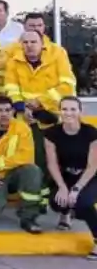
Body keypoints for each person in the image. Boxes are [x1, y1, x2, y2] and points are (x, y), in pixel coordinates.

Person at [4, 29, 75, 206]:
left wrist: (40, 101)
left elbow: (67, 86)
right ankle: (39, 199)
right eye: (25, 42)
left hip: (53, 117)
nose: (29, 46)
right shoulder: (14, 61)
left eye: (33, 42)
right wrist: (22, 108)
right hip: (27, 119)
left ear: (42, 44)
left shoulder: (57, 57)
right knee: (36, 159)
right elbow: (10, 88)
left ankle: (62, 198)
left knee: (58, 160)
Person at [0, 95, 43, 234]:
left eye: (7, 110)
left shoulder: (22, 129)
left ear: (13, 111)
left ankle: (28, 217)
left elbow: (26, 157)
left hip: (13, 175)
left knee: (33, 170)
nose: (4, 114)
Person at [43, 96, 97, 257]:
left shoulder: (91, 133)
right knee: (56, 201)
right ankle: (65, 214)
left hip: (89, 175)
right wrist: (62, 187)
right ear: (59, 111)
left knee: (82, 203)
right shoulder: (51, 133)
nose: (68, 113)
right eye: (64, 109)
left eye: (73, 109)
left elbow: (92, 165)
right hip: (66, 174)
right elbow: (52, 164)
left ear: (81, 111)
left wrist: (76, 189)